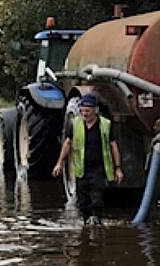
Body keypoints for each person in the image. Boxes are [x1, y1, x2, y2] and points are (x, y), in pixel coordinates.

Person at [52, 93, 124, 224]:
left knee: (97, 198)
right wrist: (59, 163)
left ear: (95, 110)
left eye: (88, 111)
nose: (84, 114)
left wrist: (118, 168)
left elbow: (113, 145)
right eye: (82, 110)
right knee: (82, 202)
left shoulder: (106, 125)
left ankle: (96, 224)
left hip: (99, 169)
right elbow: (67, 143)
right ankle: (86, 223)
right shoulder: (75, 124)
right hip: (81, 170)